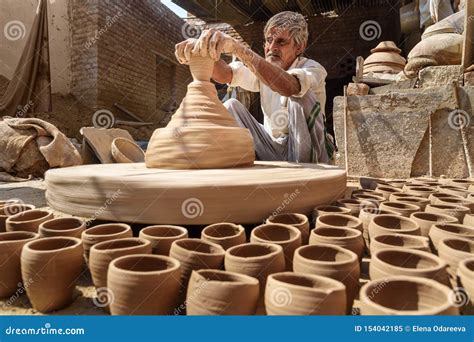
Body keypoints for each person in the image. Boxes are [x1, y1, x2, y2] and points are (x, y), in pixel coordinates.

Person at [175, 11, 333, 163]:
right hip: (273, 148)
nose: (272, 47)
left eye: (281, 41)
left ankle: (306, 174)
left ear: (299, 47)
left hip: (312, 152)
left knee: (299, 95)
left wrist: (238, 49)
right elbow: (225, 74)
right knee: (231, 106)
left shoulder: (313, 68)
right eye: (269, 40)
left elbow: (289, 87)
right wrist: (201, 50)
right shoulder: (263, 73)